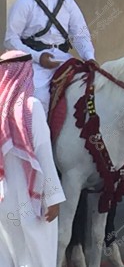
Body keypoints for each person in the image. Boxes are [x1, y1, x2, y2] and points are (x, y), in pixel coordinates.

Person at [4, 0, 97, 114]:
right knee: (39, 100)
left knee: (89, 91)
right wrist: (38, 57)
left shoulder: (68, 2)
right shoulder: (25, 2)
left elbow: (80, 35)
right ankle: (39, 139)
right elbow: (11, 40)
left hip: (64, 60)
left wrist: (89, 57)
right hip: (34, 64)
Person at [0, 50, 66, 267]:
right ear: (27, 71)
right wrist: (53, 198)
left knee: (9, 255)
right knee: (38, 256)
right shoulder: (32, 107)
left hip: (4, 197)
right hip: (33, 197)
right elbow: (43, 153)